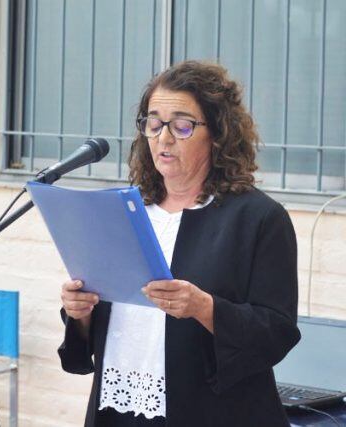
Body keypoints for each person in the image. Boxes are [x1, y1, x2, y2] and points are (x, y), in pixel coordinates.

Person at [58, 61, 300, 426]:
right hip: (119, 407)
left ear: (218, 133)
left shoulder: (258, 218)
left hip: (212, 412)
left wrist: (205, 307)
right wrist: (80, 314)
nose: (164, 138)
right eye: (153, 124)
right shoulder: (125, 211)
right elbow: (102, 323)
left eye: (182, 125)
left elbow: (277, 332)